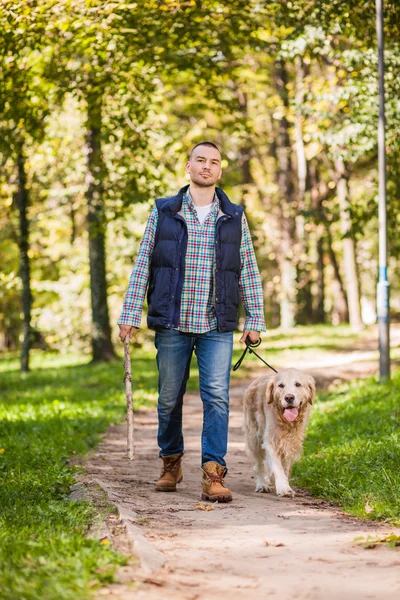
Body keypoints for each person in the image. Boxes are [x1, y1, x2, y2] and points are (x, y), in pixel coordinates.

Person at [118, 141, 266, 503]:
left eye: (214, 162)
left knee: (216, 398)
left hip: (217, 324)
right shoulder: (164, 211)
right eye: (200, 160)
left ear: (219, 170)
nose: (207, 167)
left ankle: (214, 473)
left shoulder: (234, 216)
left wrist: (255, 318)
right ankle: (171, 462)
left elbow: (247, 267)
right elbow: (143, 263)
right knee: (169, 399)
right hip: (172, 321)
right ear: (188, 167)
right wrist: (129, 313)